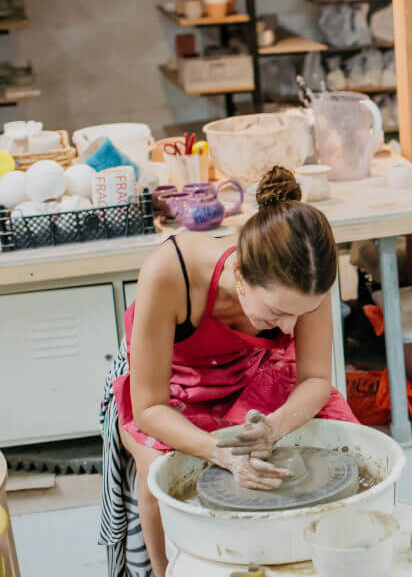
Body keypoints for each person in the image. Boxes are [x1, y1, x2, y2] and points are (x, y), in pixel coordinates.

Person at [99, 166, 358, 577]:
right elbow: (149, 407)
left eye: (302, 313)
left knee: (344, 434)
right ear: (240, 276)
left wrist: (273, 427)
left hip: (254, 369)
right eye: (277, 313)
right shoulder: (171, 272)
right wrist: (219, 451)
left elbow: (315, 380)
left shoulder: (307, 282)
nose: (291, 328)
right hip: (172, 380)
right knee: (160, 471)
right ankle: (167, 571)